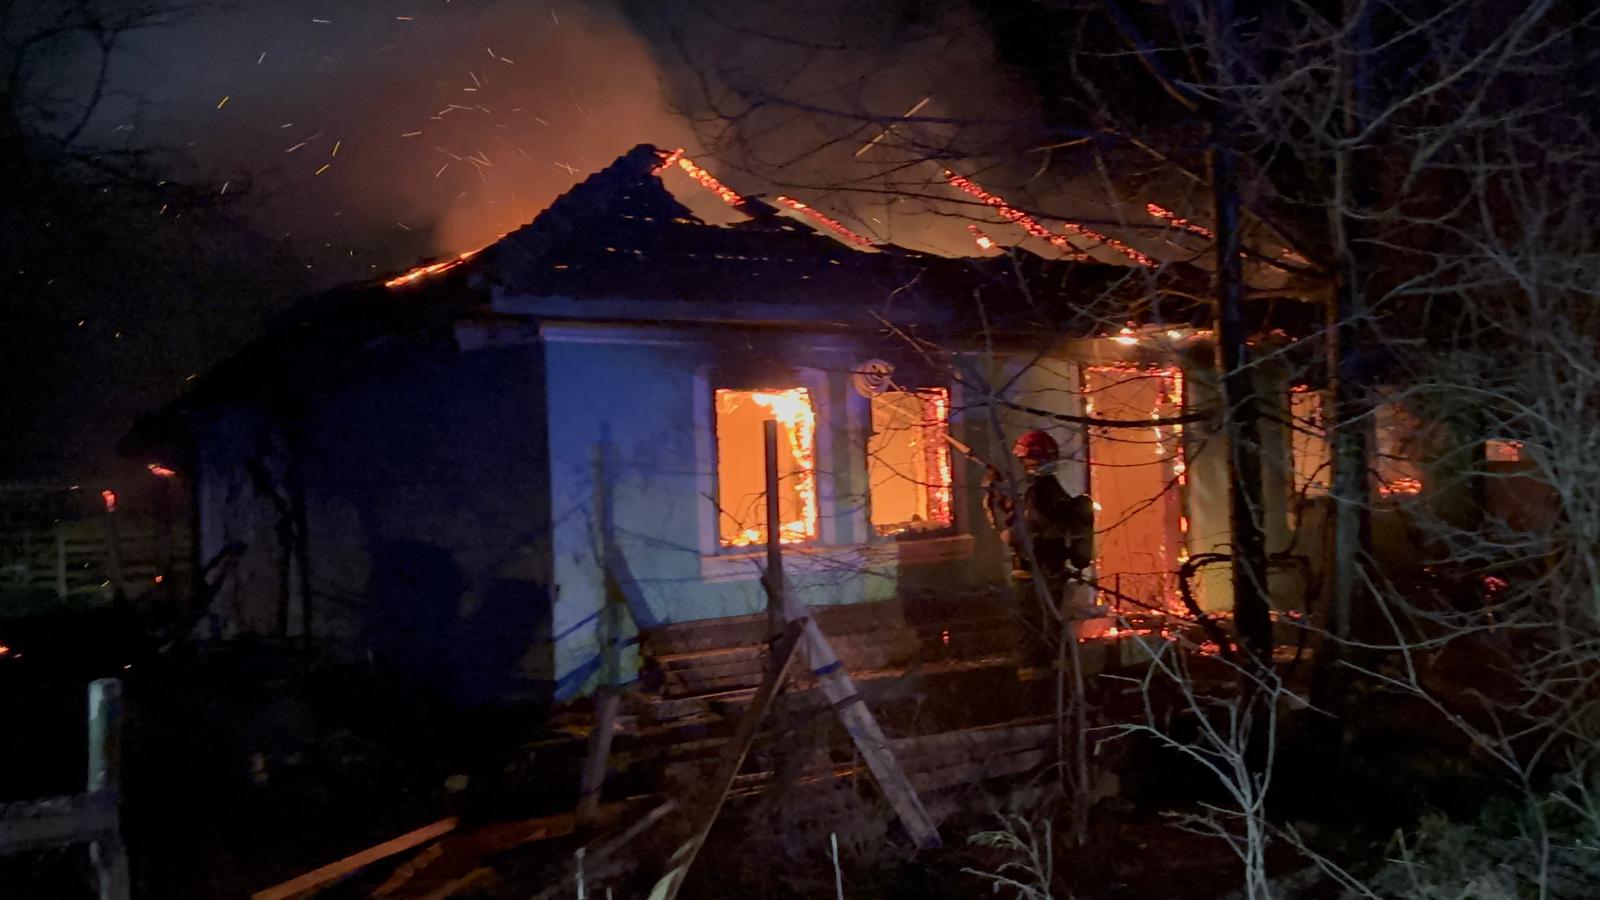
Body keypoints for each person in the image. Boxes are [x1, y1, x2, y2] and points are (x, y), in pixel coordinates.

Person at [983, 429, 1096, 660]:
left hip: (1034, 577)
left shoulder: (1039, 493)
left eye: (1025, 459)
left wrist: (992, 505)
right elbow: (1030, 519)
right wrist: (1001, 496)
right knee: (1049, 630)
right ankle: (1055, 673)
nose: (1023, 464)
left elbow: (1019, 533)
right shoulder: (1052, 491)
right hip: (1049, 574)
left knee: (1032, 634)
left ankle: (1039, 677)